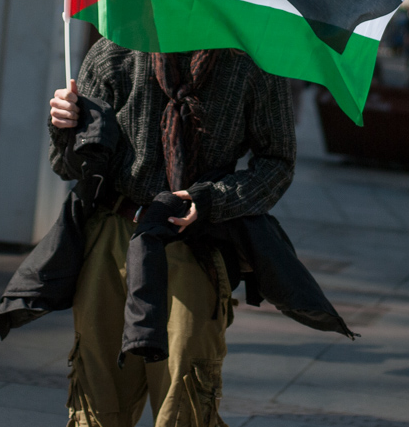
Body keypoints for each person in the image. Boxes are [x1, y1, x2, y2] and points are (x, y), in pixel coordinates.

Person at [48, 41, 296, 427]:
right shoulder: (118, 49)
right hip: (113, 237)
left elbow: (278, 160)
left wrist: (215, 200)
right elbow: (68, 167)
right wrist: (65, 125)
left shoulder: (251, 61)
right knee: (97, 404)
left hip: (195, 243)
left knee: (185, 404)